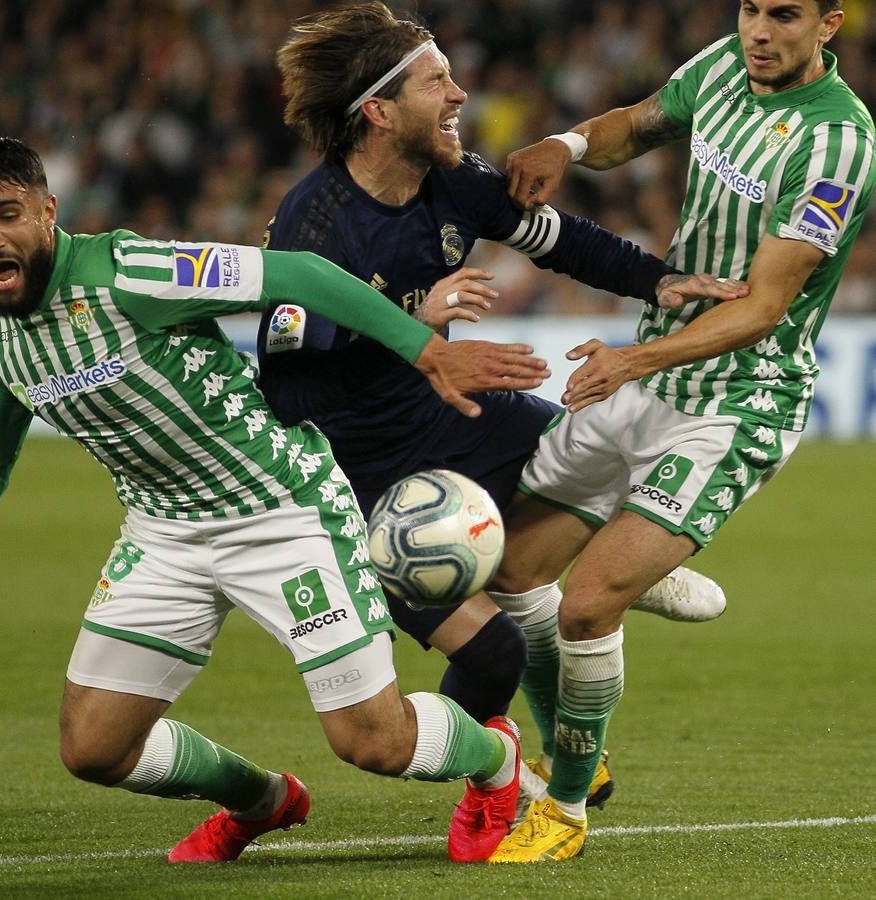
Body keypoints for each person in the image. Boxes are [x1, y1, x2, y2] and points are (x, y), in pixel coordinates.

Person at [0, 137, 559, 865]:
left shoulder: (133, 273)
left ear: (49, 213)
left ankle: (495, 760)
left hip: (283, 510)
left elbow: (302, 273)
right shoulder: (0, 342)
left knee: (373, 741)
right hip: (164, 534)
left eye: (7, 213)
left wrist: (424, 349)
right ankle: (262, 799)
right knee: (93, 748)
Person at [256, 1, 744, 840]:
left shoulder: (453, 179)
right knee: (492, 657)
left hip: (458, 415)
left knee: (593, 453)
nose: (460, 94)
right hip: (357, 476)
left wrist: (660, 284)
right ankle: (493, 776)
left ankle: (612, 560)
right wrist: (415, 312)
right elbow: (287, 366)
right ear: (377, 111)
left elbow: (560, 240)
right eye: (436, 81)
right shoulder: (315, 222)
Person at [489, 0, 874, 863]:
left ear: (830, 24)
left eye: (783, 14)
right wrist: (568, 147)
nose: (759, 31)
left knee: (585, 607)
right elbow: (636, 125)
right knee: (511, 570)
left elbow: (766, 308)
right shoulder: (726, 67)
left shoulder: (836, 144)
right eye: (748, 10)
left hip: (736, 400)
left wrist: (631, 362)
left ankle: (566, 809)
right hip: (656, 370)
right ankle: (591, 705)